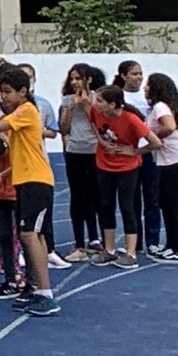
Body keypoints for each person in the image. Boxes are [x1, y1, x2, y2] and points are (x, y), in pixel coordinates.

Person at [0, 63, 60, 316]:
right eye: (1, 91)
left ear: (22, 91)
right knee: (32, 235)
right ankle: (37, 288)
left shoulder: (26, 110)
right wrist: (5, 174)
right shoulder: (23, 112)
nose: (3, 96)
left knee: (30, 235)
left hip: (36, 182)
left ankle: (45, 293)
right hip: (27, 179)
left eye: (7, 92)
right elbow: (26, 151)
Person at [92, 83, 152, 267]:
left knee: (127, 207)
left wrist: (134, 151)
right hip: (104, 165)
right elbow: (94, 125)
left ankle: (131, 253)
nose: (95, 103)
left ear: (112, 104)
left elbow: (155, 142)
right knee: (106, 206)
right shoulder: (96, 112)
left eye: (100, 100)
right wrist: (102, 142)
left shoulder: (131, 119)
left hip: (127, 168)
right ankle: (109, 250)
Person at [58, 62, 107, 262]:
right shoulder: (67, 100)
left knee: (98, 197)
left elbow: (100, 124)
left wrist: (87, 105)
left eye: (79, 78)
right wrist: (71, 108)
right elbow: (63, 127)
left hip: (95, 151)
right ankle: (79, 243)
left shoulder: (98, 99)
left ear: (88, 80)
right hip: (75, 151)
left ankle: (100, 240)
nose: (75, 82)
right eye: (72, 79)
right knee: (77, 197)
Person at [146, 73, 178, 263]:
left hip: (177, 162)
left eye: (148, 85)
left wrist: (150, 135)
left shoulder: (160, 107)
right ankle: (171, 246)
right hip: (168, 162)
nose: (145, 88)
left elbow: (169, 126)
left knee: (176, 205)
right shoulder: (158, 107)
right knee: (166, 205)